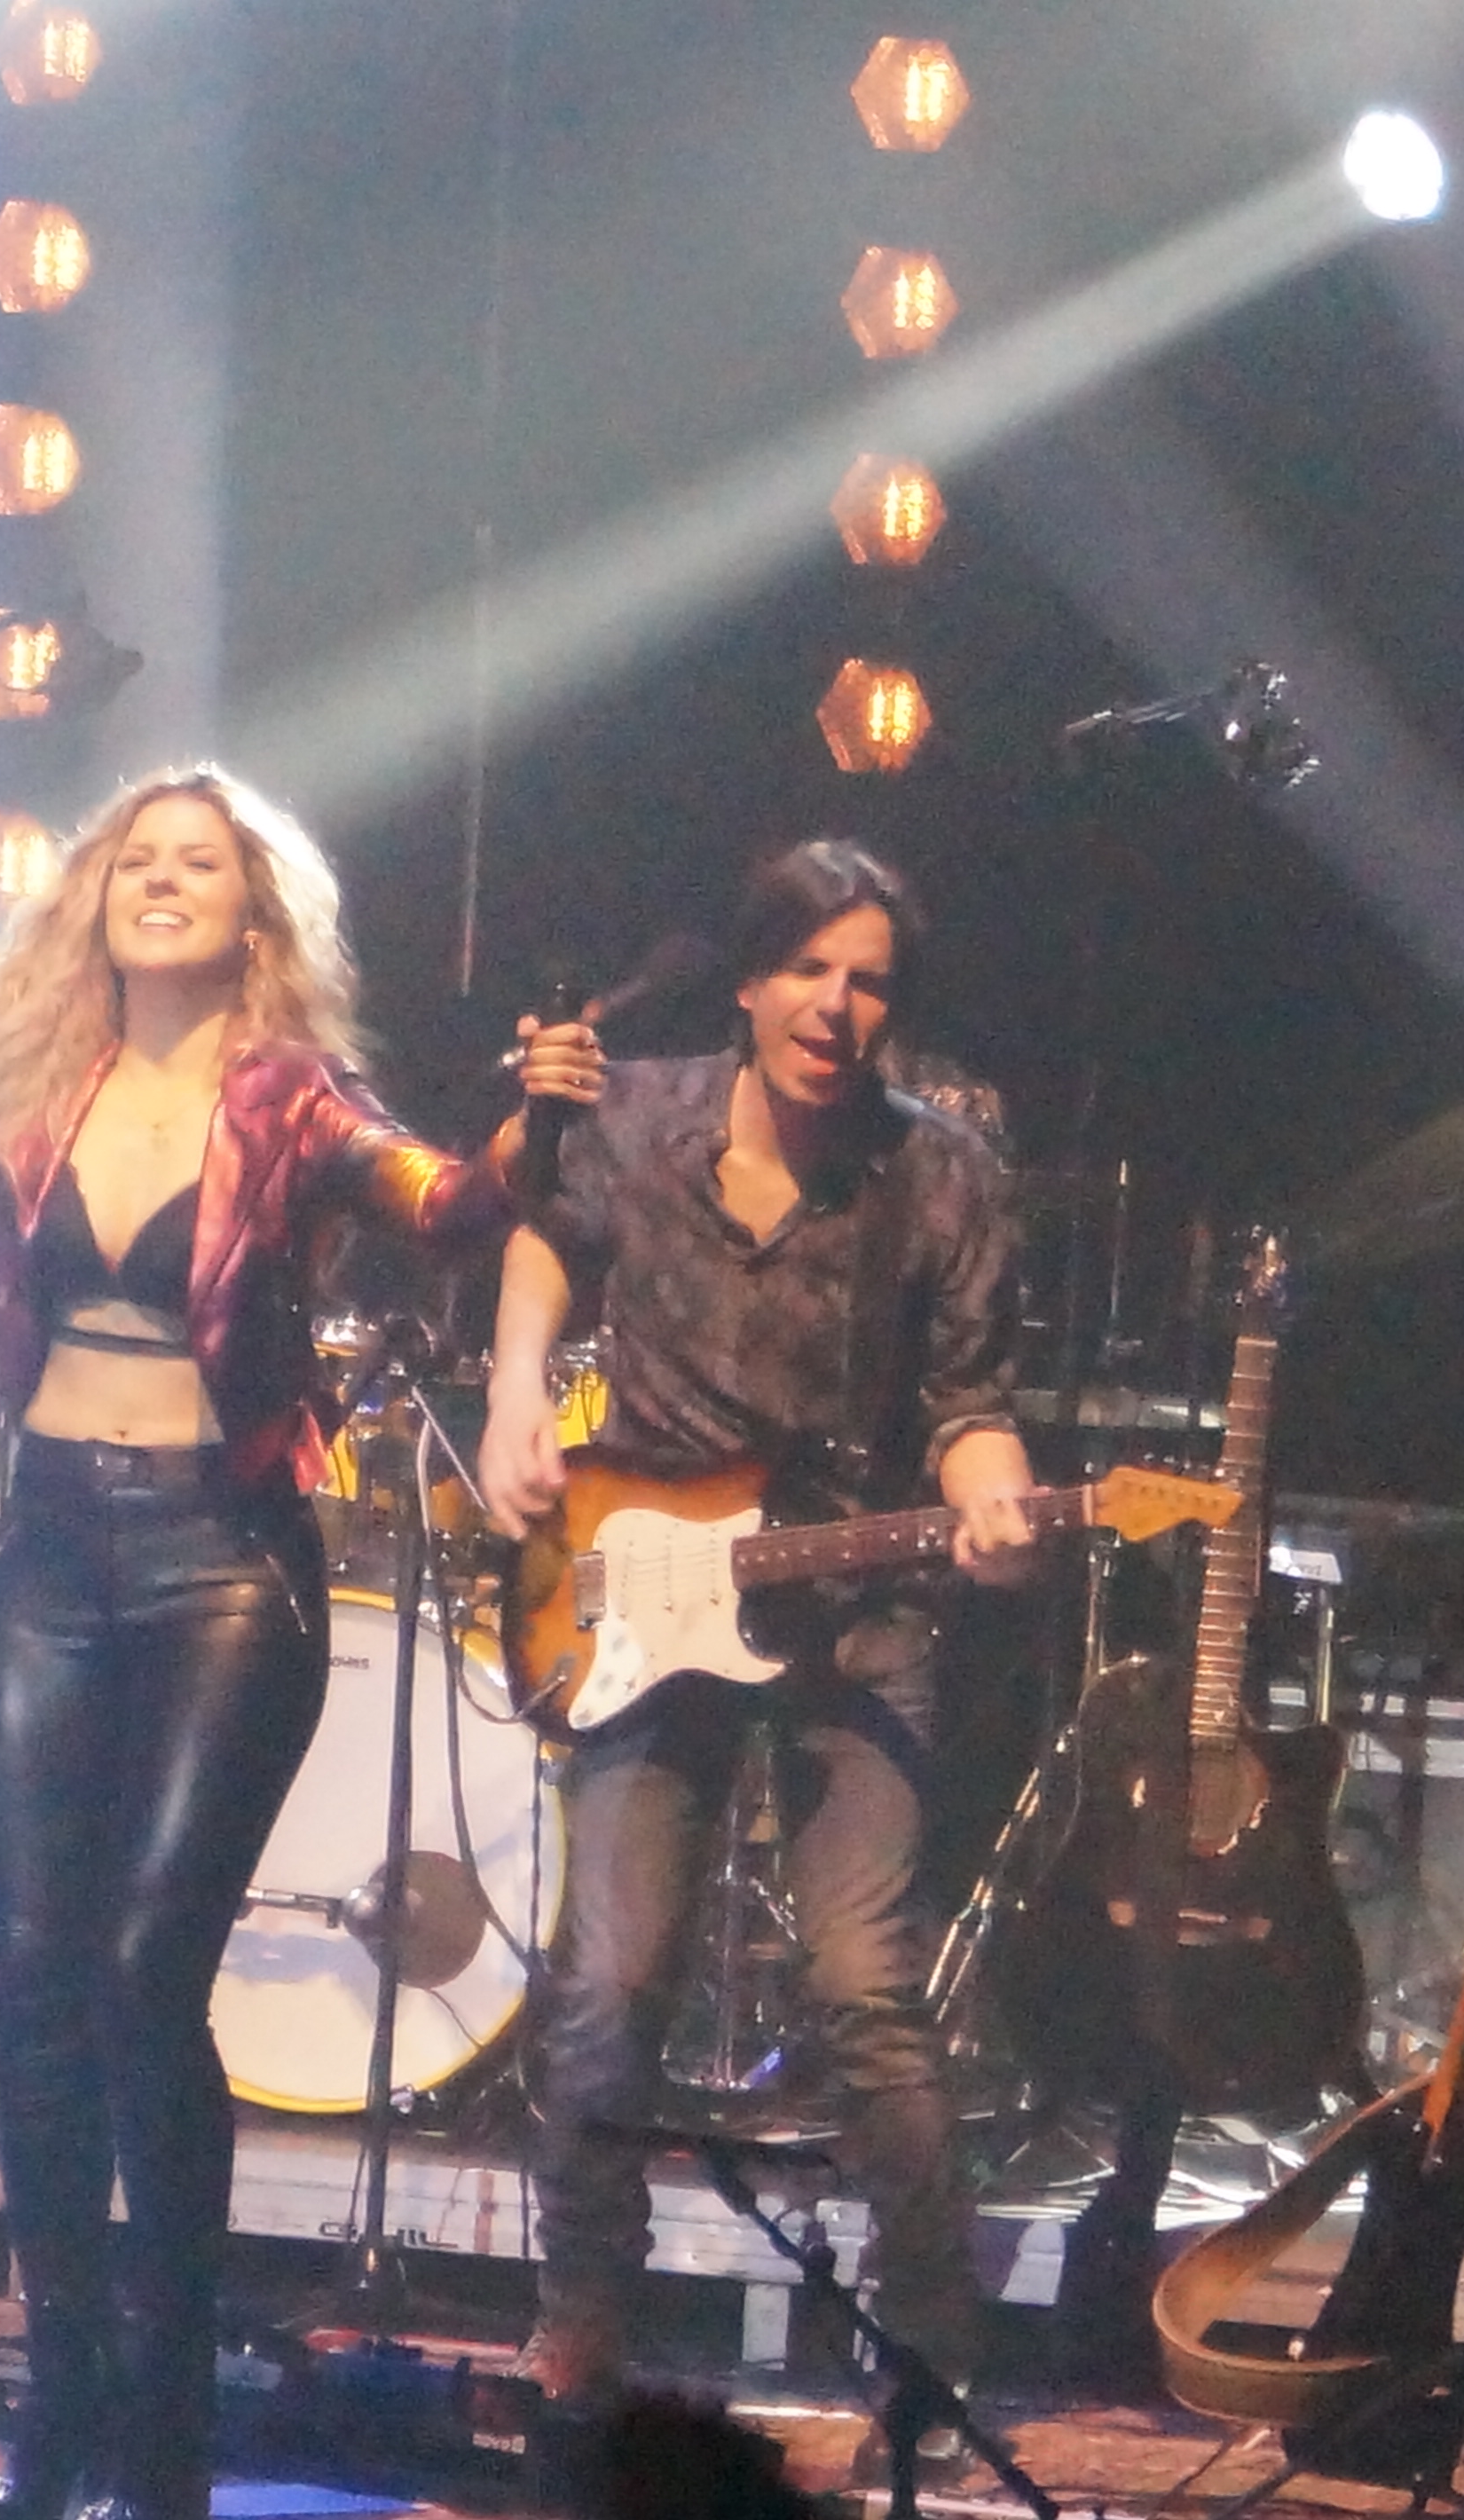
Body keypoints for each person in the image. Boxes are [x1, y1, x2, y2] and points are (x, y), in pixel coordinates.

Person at [0, 713, 515, 2520]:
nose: (163, 878)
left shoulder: (293, 1102)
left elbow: (454, 1204)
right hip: (45, 1555)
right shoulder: (20, 1066)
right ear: (90, 898)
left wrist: (542, 1117)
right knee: (28, 1979)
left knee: (139, 1970)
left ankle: (167, 2440)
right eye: (137, 857)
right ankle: (66, 2416)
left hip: (220, 1566)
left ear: (254, 911)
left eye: (202, 860)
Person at [476, 839, 1035, 2444]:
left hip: (853, 1612)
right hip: (640, 1588)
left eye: (869, 983)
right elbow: (542, 1227)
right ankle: (581, 2323)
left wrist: (993, 1505)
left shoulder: (942, 1176)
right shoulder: (637, 1115)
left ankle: (928, 2358)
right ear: (748, 981)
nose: (835, 1007)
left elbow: (971, 1408)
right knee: (610, 1981)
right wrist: (518, 1388)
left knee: (866, 1987)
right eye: (808, 970)